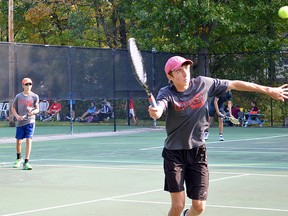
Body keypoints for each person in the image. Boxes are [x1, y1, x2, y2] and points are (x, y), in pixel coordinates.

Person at [148, 56, 288, 216]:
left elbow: (234, 84)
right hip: (174, 154)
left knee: (199, 207)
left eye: (186, 68)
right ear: (170, 76)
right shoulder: (166, 93)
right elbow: (160, 107)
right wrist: (156, 111)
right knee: (177, 205)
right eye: (179, 71)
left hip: (198, 152)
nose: (185, 73)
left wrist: (268, 90)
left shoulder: (203, 83)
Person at [11, 78, 39, 170]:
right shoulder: (18, 96)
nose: (28, 86)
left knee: (28, 140)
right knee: (19, 141)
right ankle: (19, 158)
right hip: (20, 122)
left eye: (30, 84)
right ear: (23, 85)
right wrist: (17, 116)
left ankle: (26, 162)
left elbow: (37, 109)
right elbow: (13, 108)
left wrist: (33, 112)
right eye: (26, 84)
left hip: (30, 121)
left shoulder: (35, 96)